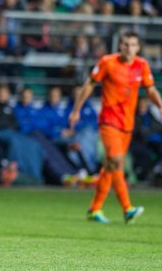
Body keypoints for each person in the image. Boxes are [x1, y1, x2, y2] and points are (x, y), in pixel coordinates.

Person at [69, 31, 162, 224]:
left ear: (138, 47)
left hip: (127, 124)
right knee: (117, 161)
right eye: (126, 44)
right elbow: (89, 85)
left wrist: (160, 105)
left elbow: (151, 89)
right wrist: (76, 110)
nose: (129, 48)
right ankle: (127, 207)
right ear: (120, 46)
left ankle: (95, 209)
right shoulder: (107, 62)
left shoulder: (142, 65)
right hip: (109, 121)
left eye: (133, 45)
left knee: (111, 165)